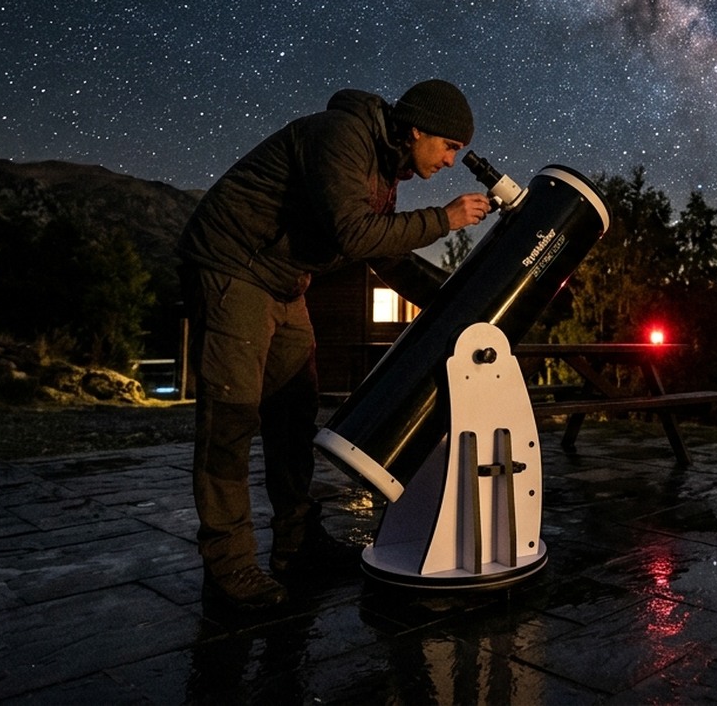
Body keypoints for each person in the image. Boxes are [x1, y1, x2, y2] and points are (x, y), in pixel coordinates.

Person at [176, 79, 491, 614]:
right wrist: (445, 220)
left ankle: (296, 549)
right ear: (417, 129)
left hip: (283, 279)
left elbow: (384, 254)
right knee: (230, 421)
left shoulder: (384, 172)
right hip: (232, 266)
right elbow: (353, 234)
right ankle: (228, 569)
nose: (450, 161)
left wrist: (453, 306)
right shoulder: (342, 137)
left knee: (295, 415)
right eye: (448, 146)